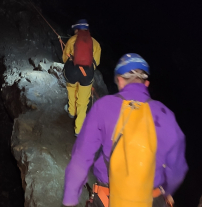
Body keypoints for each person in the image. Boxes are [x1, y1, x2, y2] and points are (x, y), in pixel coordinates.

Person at [63, 53, 188, 206]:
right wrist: (166, 190)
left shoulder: (103, 106)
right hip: (150, 199)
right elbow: (177, 169)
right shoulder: (166, 115)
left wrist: (70, 198)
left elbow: (81, 157)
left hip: (108, 198)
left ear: (120, 81)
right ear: (146, 84)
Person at [62, 19, 101, 136]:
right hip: (87, 74)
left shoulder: (71, 40)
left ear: (77, 30)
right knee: (83, 101)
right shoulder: (95, 43)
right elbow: (96, 63)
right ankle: (78, 130)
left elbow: (64, 58)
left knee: (71, 89)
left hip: (72, 71)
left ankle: (71, 111)